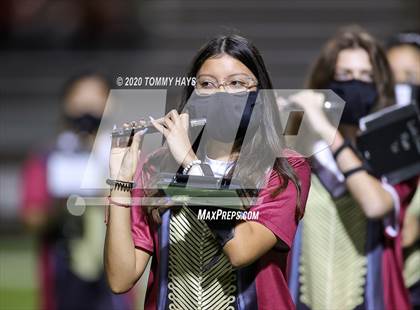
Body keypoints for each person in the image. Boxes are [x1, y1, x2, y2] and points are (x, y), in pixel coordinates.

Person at [104, 34, 311, 310]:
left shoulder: (283, 168)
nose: (221, 93)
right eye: (207, 85)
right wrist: (121, 181)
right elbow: (120, 279)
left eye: (236, 83)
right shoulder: (157, 166)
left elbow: (241, 249)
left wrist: (190, 163)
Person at [287, 26, 419, 310]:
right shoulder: (301, 148)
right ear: (325, 80)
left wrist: (329, 131)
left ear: (381, 83)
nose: (355, 84)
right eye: (344, 75)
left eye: (366, 76)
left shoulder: (396, 150)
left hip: (372, 299)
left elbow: (375, 205)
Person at [21, 72, 132, 310]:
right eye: (81, 95)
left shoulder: (129, 157)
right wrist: (62, 206)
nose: (88, 104)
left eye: (97, 95)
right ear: (66, 103)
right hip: (64, 271)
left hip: (113, 276)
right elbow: (32, 218)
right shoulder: (47, 157)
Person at [387, 31, 420, 308]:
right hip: (380, 283)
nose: (400, 86)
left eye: (410, 77)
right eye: (392, 77)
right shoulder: (363, 139)